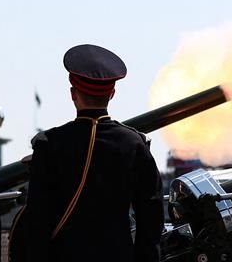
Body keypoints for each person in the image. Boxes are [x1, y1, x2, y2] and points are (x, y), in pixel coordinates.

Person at [23, 44, 163, 262]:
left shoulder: (49, 144)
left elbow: (36, 220)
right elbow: (150, 219)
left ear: (73, 94)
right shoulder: (134, 144)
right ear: (112, 94)